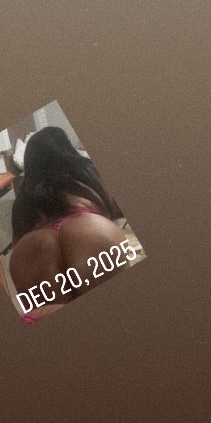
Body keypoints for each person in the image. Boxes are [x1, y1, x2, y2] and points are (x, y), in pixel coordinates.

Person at [9, 127, 131, 324]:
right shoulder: (88, 172)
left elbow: (17, 242)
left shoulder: (21, 201)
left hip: (30, 254)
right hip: (97, 233)